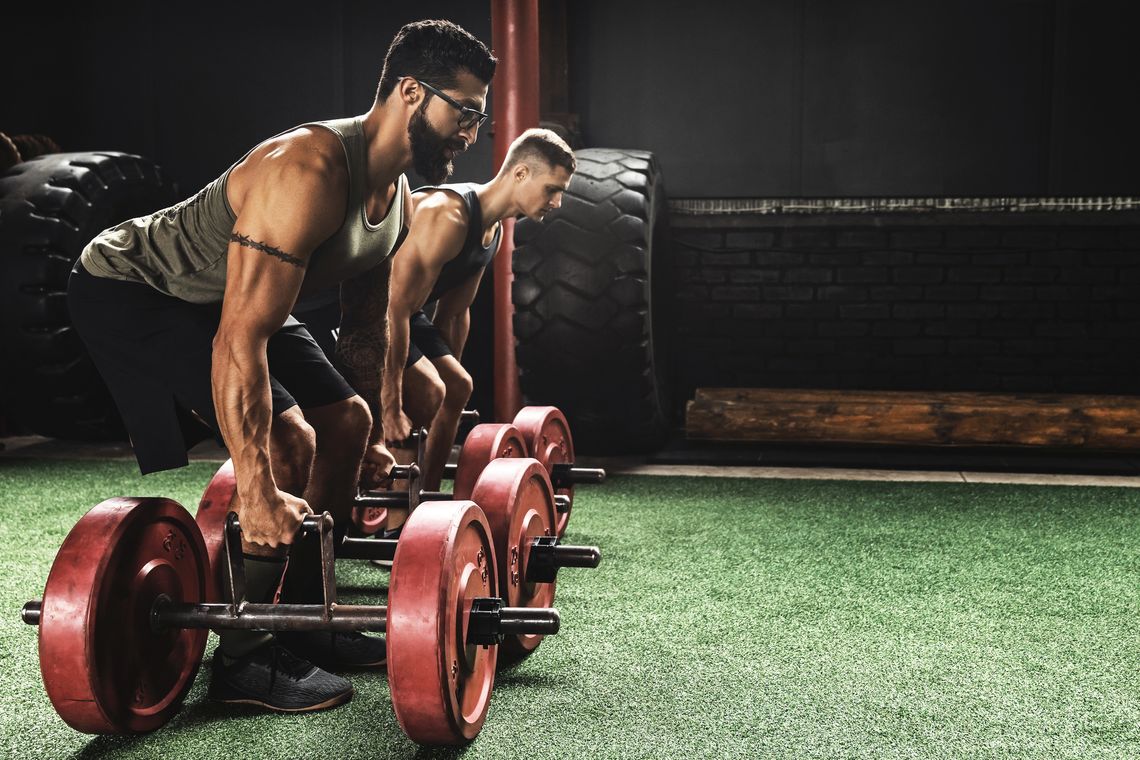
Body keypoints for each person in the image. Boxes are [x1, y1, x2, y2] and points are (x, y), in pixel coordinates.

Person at [65, 19, 496, 713]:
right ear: (412, 92)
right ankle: (246, 659)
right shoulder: (309, 169)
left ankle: (304, 621)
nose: (473, 132)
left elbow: (360, 329)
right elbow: (239, 339)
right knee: (291, 441)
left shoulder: (400, 203)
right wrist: (259, 489)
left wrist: (378, 428)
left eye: (481, 116)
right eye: (466, 110)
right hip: (138, 288)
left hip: (235, 296)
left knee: (347, 426)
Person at [379, 128, 575, 496]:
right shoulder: (447, 216)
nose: (557, 202)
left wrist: (444, 373)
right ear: (520, 173)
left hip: (403, 313)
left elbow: (454, 314)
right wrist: (391, 404)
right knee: (428, 390)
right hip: (360, 307)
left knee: (457, 386)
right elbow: (391, 307)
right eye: (552, 188)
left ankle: (428, 501)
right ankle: (395, 519)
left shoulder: (493, 230)